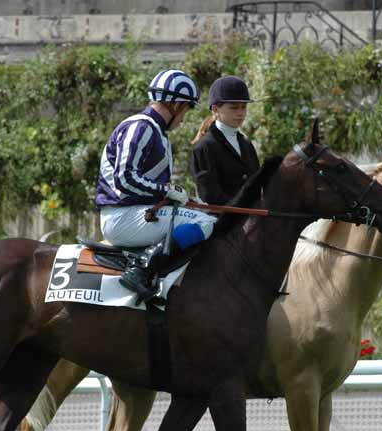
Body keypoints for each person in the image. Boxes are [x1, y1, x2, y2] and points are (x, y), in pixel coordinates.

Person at [95, 69, 217, 302]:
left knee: (203, 214)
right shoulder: (141, 127)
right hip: (122, 218)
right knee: (204, 223)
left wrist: (186, 200)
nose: (184, 117)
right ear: (176, 105)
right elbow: (125, 179)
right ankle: (143, 270)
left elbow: (148, 185)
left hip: (137, 213)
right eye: (187, 109)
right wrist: (167, 191)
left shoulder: (156, 132)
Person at [191, 75, 259, 206]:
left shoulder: (246, 144)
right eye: (234, 108)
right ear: (216, 109)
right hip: (222, 220)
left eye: (243, 107)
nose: (241, 113)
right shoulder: (204, 147)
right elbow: (209, 195)